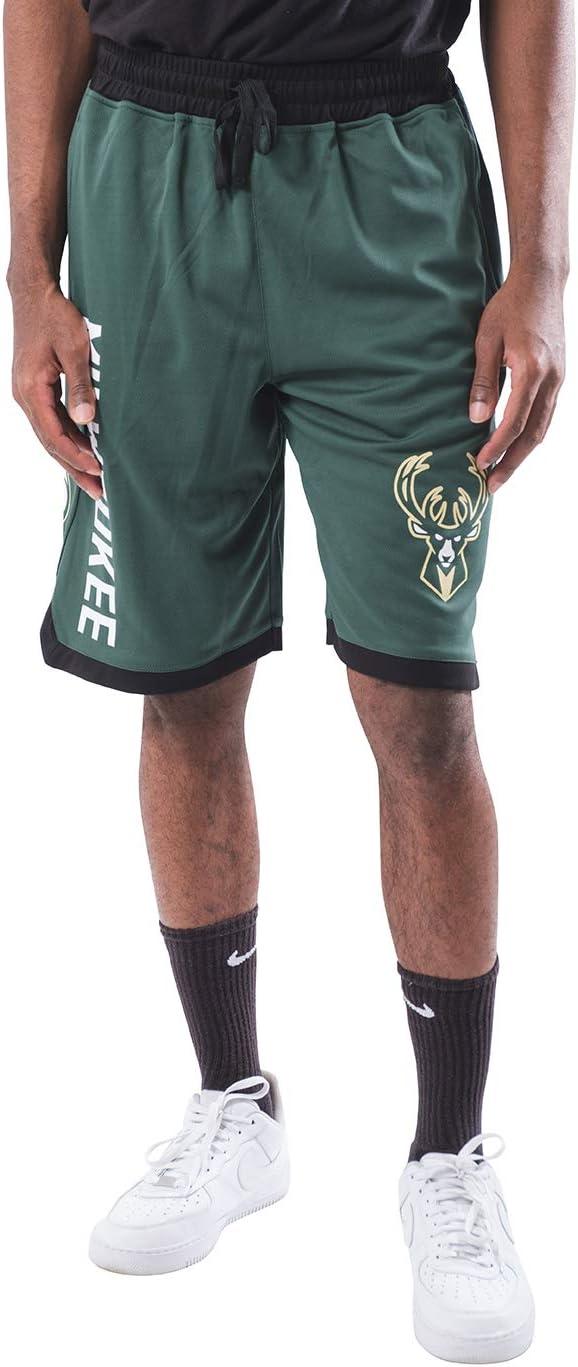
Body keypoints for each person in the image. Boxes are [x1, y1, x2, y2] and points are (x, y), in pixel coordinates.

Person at [5, 0, 573, 1356]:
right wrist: (28, 268)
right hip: (145, 177)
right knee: (185, 684)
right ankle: (233, 1103)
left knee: (420, 702)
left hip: (391, 178)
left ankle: (448, 1154)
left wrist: (542, 265)